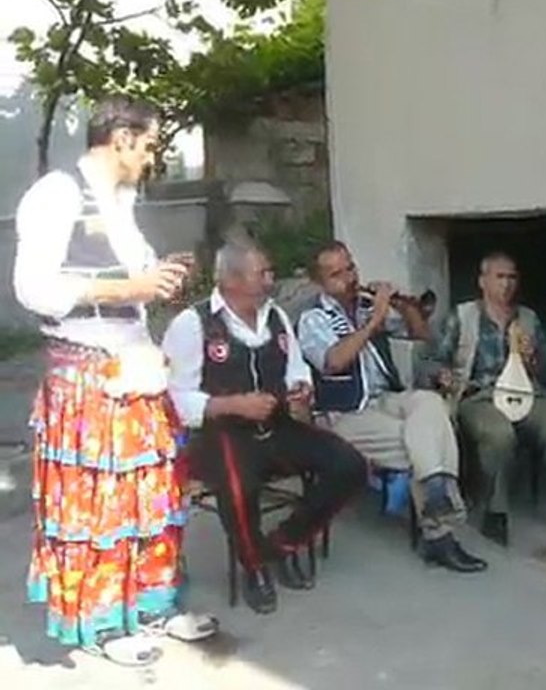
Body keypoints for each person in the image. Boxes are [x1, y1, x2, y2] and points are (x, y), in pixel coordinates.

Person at [12, 95, 216, 665]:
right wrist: (133, 288)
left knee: (153, 494)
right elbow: (34, 289)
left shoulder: (123, 202)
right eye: (150, 145)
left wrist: (160, 279)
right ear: (122, 138)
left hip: (136, 364)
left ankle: (153, 605)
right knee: (97, 504)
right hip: (86, 370)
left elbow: (134, 284)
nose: (152, 158)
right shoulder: (55, 196)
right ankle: (103, 624)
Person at [162, 238, 368, 614]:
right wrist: (232, 404)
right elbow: (175, 397)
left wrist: (299, 388)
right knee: (238, 482)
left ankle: (282, 543)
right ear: (232, 280)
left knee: (349, 465)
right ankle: (253, 566)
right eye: (263, 273)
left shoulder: (276, 316)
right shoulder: (193, 324)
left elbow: (295, 369)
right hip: (220, 434)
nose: (271, 280)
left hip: (275, 427)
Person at [297, 240, 487, 573]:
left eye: (350, 268)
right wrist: (374, 322)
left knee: (430, 403)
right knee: (421, 440)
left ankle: (436, 492)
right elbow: (333, 361)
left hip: (386, 397)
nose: (349, 278)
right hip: (345, 412)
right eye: (336, 274)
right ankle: (440, 533)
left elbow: (421, 333)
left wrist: (405, 305)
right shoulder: (313, 319)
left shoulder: (367, 305)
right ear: (320, 282)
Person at [432, 251, 546, 547]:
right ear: (483, 281)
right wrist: (443, 375)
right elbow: (434, 360)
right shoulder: (463, 315)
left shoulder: (528, 318)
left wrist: (532, 357)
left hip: (525, 392)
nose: (506, 284)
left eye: (512, 277)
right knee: (499, 434)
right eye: (499, 277)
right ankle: (495, 512)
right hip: (479, 395)